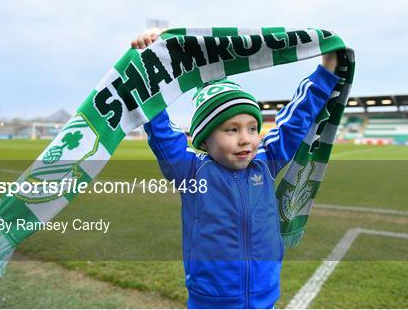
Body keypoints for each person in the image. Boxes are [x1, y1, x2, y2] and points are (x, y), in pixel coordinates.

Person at [132, 29, 340, 309]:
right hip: (212, 300)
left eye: (252, 128)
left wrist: (327, 69)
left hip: (265, 296)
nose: (246, 138)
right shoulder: (191, 172)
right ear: (204, 139)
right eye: (232, 129)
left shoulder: (266, 163)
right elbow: (160, 133)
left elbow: (297, 119)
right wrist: (149, 67)